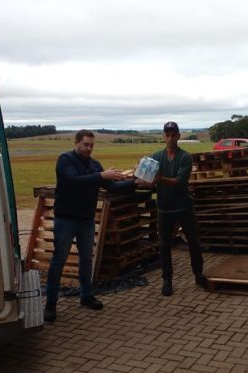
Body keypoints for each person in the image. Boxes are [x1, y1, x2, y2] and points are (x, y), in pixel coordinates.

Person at [44, 129, 136, 322]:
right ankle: (50, 304)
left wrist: (135, 181)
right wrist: (102, 175)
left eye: (92, 145)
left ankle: (86, 296)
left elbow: (112, 187)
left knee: (86, 259)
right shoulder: (65, 160)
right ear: (76, 142)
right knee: (59, 260)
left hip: (85, 220)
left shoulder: (95, 165)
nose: (89, 149)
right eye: (85, 144)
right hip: (66, 219)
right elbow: (74, 182)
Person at [148, 121, 207, 296]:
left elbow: (179, 182)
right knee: (164, 245)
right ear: (163, 136)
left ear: (179, 136)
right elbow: (151, 181)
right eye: (168, 135)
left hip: (184, 207)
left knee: (194, 242)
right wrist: (142, 175)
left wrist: (158, 178)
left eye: (174, 135)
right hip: (164, 208)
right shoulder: (156, 156)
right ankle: (167, 280)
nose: (171, 138)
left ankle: (198, 274)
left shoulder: (185, 157)